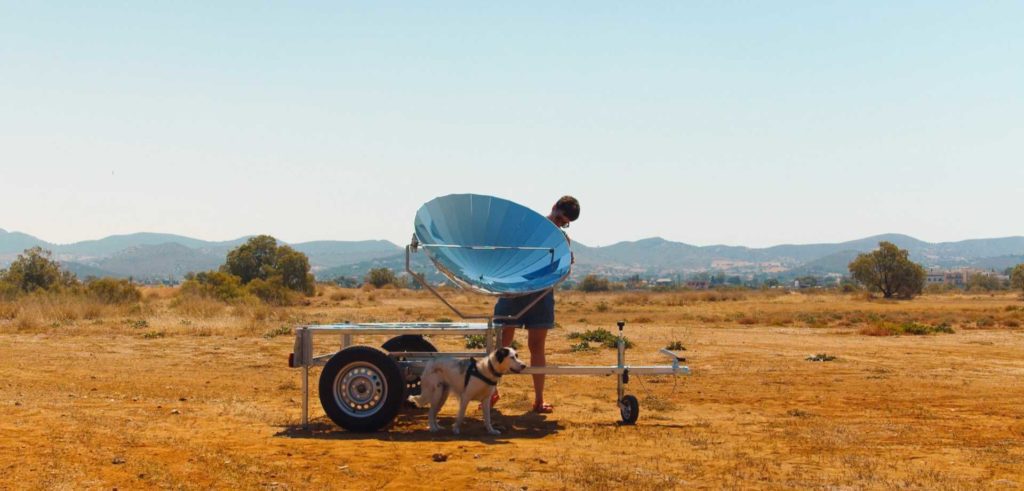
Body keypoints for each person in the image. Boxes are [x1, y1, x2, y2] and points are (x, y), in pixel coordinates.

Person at [491, 195, 580, 413]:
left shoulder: (562, 239)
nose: (560, 224)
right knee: (503, 345)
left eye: (565, 223)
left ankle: (539, 401)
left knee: (537, 347)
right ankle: (490, 392)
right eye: (560, 219)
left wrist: (566, 262)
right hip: (514, 290)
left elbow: (560, 271)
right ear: (553, 208)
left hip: (540, 295)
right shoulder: (527, 228)